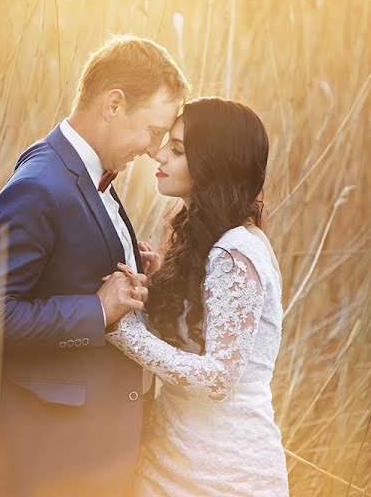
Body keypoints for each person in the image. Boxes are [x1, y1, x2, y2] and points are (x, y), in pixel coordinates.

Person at [0, 34, 190, 496]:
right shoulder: (40, 186)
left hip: (91, 455)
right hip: (50, 460)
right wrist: (96, 311)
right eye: (154, 130)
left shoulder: (88, 174)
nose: (153, 148)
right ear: (113, 104)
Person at [105, 97, 290, 495]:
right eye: (166, 144)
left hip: (224, 472)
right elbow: (197, 337)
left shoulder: (235, 252)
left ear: (213, 163)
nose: (160, 155)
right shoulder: (207, 242)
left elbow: (219, 379)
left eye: (178, 150)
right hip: (166, 461)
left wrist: (124, 329)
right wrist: (159, 287)